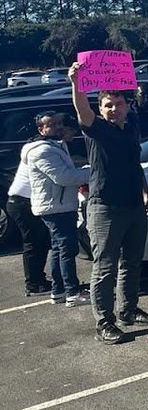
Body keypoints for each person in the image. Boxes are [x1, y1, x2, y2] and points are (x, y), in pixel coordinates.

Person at [69, 64, 148, 345]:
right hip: (105, 207)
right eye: (108, 105)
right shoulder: (97, 130)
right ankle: (104, 323)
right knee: (105, 267)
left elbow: (135, 164)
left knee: (132, 263)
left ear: (127, 106)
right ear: (101, 108)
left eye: (119, 104)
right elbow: (82, 109)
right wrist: (77, 82)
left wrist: (145, 191)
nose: (114, 109)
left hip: (133, 205)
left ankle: (128, 310)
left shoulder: (131, 129)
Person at [21, 112, 91, 307]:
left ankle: (59, 290)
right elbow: (64, 177)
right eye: (52, 125)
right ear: (41, 130)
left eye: (60, 123)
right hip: (55, 207)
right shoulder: (42, 151)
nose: (59, 127)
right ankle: (72, 292)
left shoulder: (55, 146)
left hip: (58, 205)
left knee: (60, 249)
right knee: (67, 249)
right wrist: (93, 172)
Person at [7, 158, 51, 297]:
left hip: (24, 200)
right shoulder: (42, 151)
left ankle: (38, 280)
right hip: (23, 202)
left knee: (41, 241)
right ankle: (33, 285)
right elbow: (61, 176)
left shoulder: (37, 149)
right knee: (33, 242)